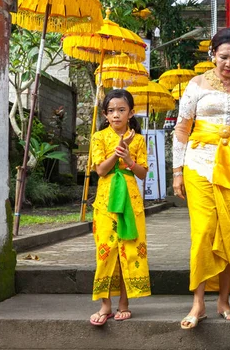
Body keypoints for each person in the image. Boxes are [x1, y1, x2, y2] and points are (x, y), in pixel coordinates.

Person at [172, 27, 230, 329]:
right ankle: (198, 302)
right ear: (213, 54)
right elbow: (182, 129)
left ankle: (223, 300)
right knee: (203, 232)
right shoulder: (196, 84)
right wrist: (176, 171)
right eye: (223, 57)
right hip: (199, 164)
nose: (228, 63)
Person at [89, 89, 150, 326]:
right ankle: (105, 305)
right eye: (111, 110)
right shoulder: (99, 137)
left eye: (121, 110)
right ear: (105, 114)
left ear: (131, 112)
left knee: (129, 248)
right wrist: (117, 153)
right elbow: (101, 170)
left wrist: (129, 159)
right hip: (106, 202)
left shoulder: (140, 140)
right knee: (105, 251)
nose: (116, 115)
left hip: (131, 201)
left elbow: (143, 173)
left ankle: (124, 303)